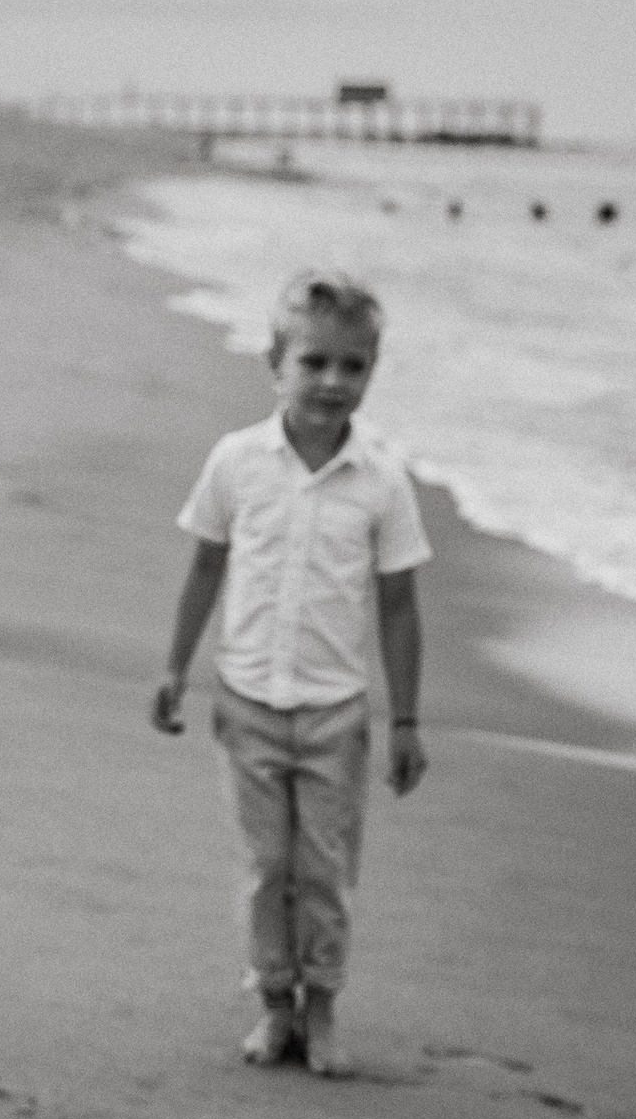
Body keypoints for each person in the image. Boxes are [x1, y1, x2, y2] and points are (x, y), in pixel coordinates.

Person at [153, 269, 430, 1078]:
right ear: (276, 362)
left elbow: (400, 605)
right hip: (246, 704)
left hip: (335, 715)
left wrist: (406, 721)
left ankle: (325, 1004)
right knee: (264, 868)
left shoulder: (382, 482)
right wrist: (175, 669)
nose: (333, 382)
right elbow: (205, 568)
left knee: (324, 872)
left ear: (372, 372)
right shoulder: (237, 462)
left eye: (353, 366)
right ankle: (274, 1005)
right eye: (314, 363)